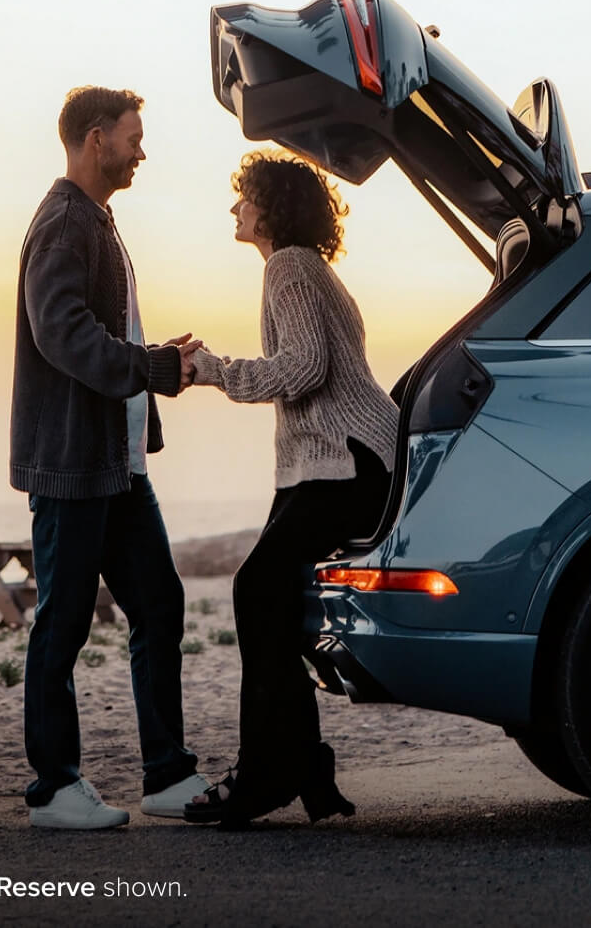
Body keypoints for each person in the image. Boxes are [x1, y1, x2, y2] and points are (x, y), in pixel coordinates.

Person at [9, 86, 210, 829]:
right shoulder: (65, 224)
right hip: (73, 465)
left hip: (119, 466)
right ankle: (53, 790)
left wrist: (156, 364)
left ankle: (167, 776)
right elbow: (61, 334)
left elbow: (102, 333)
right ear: (96, 140)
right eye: (133, 137)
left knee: (160, 604)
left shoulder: (96, 221)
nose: (141, 150)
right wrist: (151, 368)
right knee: (62, 623)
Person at [184, 149, 397, 829]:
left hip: (350, 459)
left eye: (244, 196)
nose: (234, 208)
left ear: (270, 207)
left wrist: (214, 370)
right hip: (337, 459)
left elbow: (304, 370)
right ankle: (294, 762)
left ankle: (272, 771)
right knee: (273, 598)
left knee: (256, 591)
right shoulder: (306, 268)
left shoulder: (290, 266)